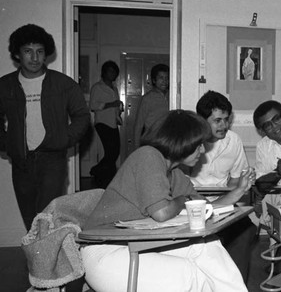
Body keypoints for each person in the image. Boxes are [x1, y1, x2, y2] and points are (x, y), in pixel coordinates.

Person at [82, 110, 252, 292]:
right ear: (181, 141)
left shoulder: (175, 173)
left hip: (134, 243)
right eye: (199, 144)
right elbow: (161, 212)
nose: (202, 150)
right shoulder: (147, 155)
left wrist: (239, 190)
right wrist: (182, 200)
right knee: (192, 276)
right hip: (106, 251)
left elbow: (204, 207)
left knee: (207, 246)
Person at [0, 24, 90, 229]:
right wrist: (8, 143)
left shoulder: (63, 84)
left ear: (45, 54)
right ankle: (36, 259)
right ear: (17, 54)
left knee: (47, 219)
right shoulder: (5, 86)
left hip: (52, 161)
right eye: (28, 51)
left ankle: (45, 259)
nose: (34, 58)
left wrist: (63, 139)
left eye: (39, 52)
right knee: (30, 219)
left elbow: (82, 116)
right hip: (21, 163)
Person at [188, 90, 257, 282]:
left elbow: (236, 181)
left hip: (224, 203)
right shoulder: (188, 142)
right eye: (217, 120)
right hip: (192, 205)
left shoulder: (233, 141)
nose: (224, 125)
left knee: (245, 231)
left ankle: (235, 284)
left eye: (226, 120)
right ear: (202, 121)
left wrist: (232, 196)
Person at [89, 60, 122, 187]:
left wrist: (118, 110)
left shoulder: (114, 88)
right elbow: (92, 106)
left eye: (115, 72)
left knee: (114, 152)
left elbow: (114, 106)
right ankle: (107, 179)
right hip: (102, 123)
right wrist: (111, 104)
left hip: (113, 123)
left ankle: (97, 170)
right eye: (110, 71)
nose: (112, 74)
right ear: (104, 72)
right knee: (111, 153)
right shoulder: (97, 87)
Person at [133, 63, 169, 148]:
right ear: (154, 80)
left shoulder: (172, 96)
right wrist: (137, 148)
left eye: (167, 78)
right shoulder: (147, 98)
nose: (164, 81)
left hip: (167, 141)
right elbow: (138, 126)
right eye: (161, 78)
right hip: (151, 142)